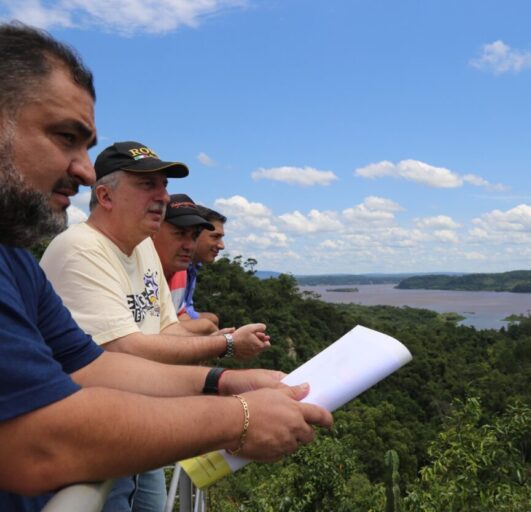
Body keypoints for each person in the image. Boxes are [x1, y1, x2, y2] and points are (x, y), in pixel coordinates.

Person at [0, 22, 332, 512]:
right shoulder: (74, 249)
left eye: (87, 147)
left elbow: (94, 367)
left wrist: (223, 382)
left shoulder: (15, 265)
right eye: (64, 136)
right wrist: (237, 418)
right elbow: (40, 442)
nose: (84, 170)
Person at [40, 140, 274, 510]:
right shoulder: (81, 249)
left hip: (138, 424)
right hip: (93, 440)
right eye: (147, 185)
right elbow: (119, 349)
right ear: (105, 195)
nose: (162, 196)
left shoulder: (144, 248)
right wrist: (224, 349)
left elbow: (169, 331)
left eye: (163, 185)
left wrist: (223, 343)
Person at [151, 193, 219, 335]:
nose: (189, 246)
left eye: (194, 236)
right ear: (153, 231)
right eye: (180, 233)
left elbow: (180, 315)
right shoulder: (136, 273)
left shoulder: (180, 273)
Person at [179, 205, 227, 328]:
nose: (221, 246)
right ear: (195, 234)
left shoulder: (193, 266)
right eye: (215, 237)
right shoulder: (176, 267)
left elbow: (186, 308)